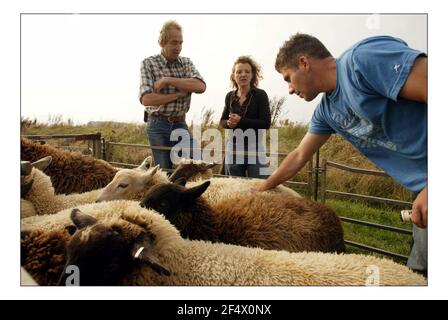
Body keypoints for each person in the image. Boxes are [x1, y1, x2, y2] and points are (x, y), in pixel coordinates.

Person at [252, 33, 427, 274]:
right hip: (425, 192)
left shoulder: (362, 61)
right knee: (420, 273)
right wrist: (263, 188)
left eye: (288, 79)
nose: (290, 90)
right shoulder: (327, 111)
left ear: (304, 63)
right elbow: (300, 155)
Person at [139, 20, 206, 170]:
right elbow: (146, 99)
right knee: (164, 172)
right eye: (174, 43)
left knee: (197, 165)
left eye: (180, 43)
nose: (178, 48)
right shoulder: (148, 63)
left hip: (180, 123)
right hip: (158, 124)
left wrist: (168, 80)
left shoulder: (186, 63)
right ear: (162, 43)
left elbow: (200, 86)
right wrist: (177, 94)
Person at [219, 56, 271, 179]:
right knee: (234, 186)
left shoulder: (260, 95)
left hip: (255, 147)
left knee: (259, 185)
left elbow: (265, 123)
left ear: (253, 75)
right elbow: (222, 121)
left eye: (247, 71)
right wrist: (229, 124)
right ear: (234, 75)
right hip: (233, 146)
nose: (243, 75)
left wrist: (241, 121)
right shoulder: (229, 96)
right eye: (239, 72)